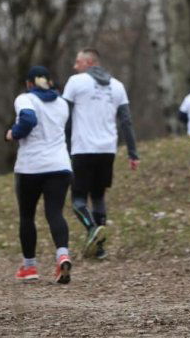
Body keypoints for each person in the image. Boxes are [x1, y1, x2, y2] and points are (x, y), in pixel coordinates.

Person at [62, 48, 139, 259]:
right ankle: (100, 248)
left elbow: (64, 116)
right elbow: (126, 121)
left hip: (82, 149)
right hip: (107, 150)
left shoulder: (75, 82)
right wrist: (133, 153)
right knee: (98, 197)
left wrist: (63, 145)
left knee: (77, 199)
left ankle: (91, 229)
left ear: (88, 62)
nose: (75, 66)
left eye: (78, 62)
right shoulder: (117, 86)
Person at [5, 66, 73, 284]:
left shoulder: (25, 99)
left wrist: (13, 134)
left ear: (29, 83)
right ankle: (62, 254)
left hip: (30, 167)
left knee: (27, 216)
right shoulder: (62, 103)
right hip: (60, 165)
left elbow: (28, 119)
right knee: (55, 213)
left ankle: (29, 266)